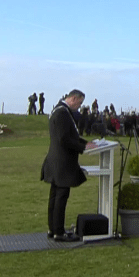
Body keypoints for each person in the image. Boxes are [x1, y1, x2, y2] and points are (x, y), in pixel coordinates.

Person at [40, 89, 90, 242]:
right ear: (73, 98)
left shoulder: (58, 110)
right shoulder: (62, 113)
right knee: (61, 197)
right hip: (62, 162)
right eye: (79, 103)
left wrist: (86, 143)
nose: (79, 107)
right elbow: (64, 138)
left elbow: (70, 136)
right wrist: (83, 148)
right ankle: (59, 232)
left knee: (55, 196)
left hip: (56, 160)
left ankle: (53, 229)